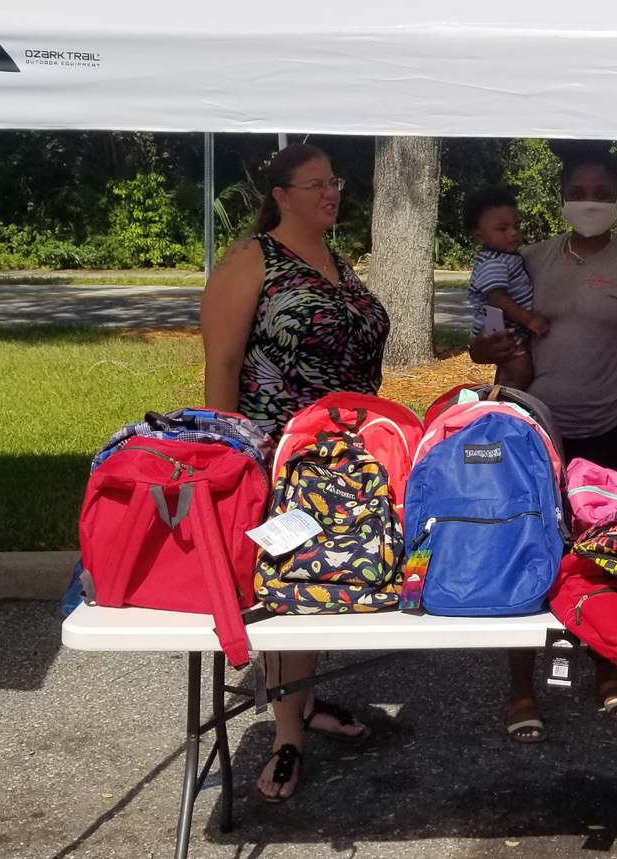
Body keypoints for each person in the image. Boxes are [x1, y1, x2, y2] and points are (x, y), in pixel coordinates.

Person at [469, 140, 617, 743]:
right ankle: (521, 684)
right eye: (579, 193)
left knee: (604, 557)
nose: (590, 203)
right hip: (527, 433)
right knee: (521, 553)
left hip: (606, 441)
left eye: (602, 194)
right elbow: (481, 339)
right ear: (562, 198)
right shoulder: (524, 260)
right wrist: (487, 351)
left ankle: (606, 668)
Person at [201, 143, 387, 802]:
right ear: (280, 194)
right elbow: (222, 364)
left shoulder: (339, 264)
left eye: (333, 182)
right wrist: (226, 454)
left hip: (346, 459)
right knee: (291, 588)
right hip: (278, 457)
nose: (330, 193)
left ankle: (301, 701)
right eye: (315, 185)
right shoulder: (252, 261)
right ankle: (287, 734)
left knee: (329, 578)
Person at [463, 187, 546, 390]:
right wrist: (529, 319)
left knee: (510, 369)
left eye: (516, 226)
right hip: (501, 329)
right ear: (480, 237)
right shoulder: (493, 262)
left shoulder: (506, 257)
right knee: (522, 373)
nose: (513, 233)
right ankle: (502, 403)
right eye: (502, 229)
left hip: (508, 327)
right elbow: (497, 298)